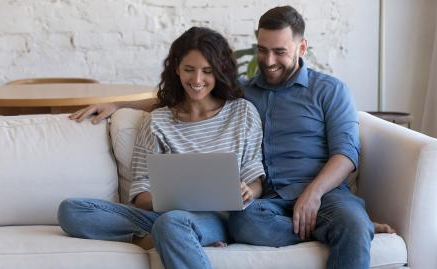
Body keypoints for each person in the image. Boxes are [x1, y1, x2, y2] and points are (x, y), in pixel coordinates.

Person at [69, 6, 395, 269]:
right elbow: (189, 93)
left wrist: (312, 195)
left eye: (279, 51)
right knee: (243, 225)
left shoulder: (326, 91)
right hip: (257, 205)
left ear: (302, 46)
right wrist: (119, 104)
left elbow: (347, 153)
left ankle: (349, 226)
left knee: (346, 223)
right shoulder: (243, 91)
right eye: (262, 50)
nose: (268, 61)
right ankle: (345, 228)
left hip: (320, 195)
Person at [59, 26, 265, 269]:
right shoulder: (158, 121)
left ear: (219, 72)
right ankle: (157, 239)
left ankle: (173, 235)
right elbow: (140, 194)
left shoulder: (242, 113)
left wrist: (248, 191)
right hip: (162, 216)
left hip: (217, 219)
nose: (197, 80)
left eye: (207, 71)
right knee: (71, 211)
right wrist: (173, 200)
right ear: (176, 68)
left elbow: (255, 180)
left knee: (172, 223)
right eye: (189, 70)